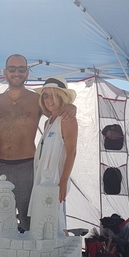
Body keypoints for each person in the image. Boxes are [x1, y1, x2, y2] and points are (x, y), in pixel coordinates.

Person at [0, 55, 76, 230]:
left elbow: (56, 113)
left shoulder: (36, 100)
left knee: (30, 220)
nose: (17, 72)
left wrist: (70, 107)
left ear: (27, 72)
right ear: (5, 72)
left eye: (21, 69)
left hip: (27, 168)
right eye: (12, 69)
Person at [27, 76, 78, 234]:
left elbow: (72, 152)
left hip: (55, 181)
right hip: (42, 179)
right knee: (44, 224)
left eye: (53, 95)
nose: (49, 99)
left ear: (62, 96)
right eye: (45, 95)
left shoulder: (67, 120)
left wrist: (63, 181)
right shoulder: (48, 121)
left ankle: (62, 256)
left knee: (56, 222)